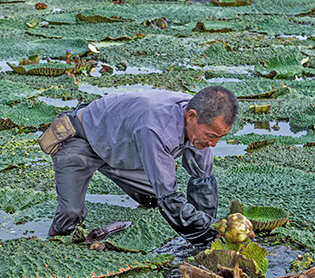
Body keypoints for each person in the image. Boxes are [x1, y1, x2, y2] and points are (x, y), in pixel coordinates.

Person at [48, 86, 238, 248]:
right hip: (83, 139)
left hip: (122, 149)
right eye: (210, 136)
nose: (213, 144)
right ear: (191, 116)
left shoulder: (202, 120)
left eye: (218, 137)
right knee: (70, 213)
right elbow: (169, 199)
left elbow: (202, 180)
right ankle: (55, 241)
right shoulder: (157, 128)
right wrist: (204, 235)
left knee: (154, 198)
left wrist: (213, 230)